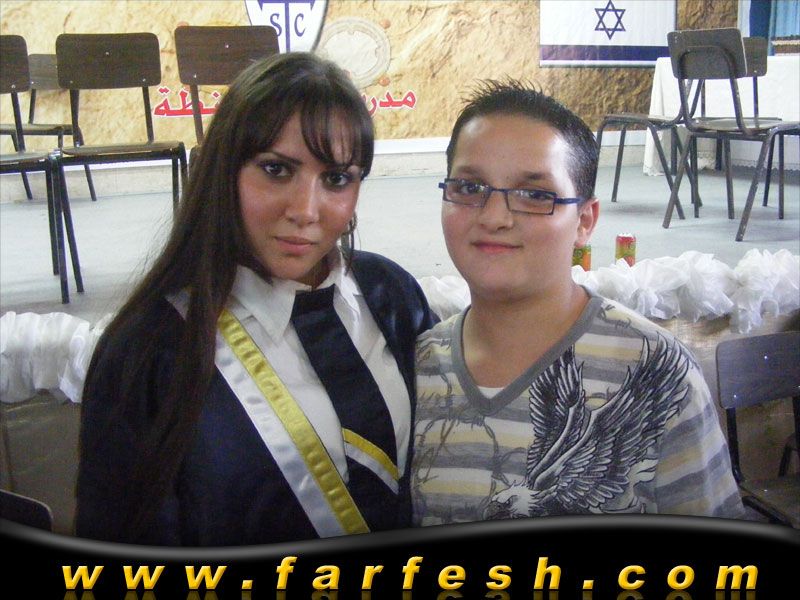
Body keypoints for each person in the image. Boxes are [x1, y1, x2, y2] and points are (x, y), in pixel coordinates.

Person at [75, 52, 438, 546]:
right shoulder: (148, 352)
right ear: (224, 172)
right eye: (276, 170)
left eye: (336, 179)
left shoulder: (391, 296)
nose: (305, 211)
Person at [411, 80, 744, 525]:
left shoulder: (658, 369)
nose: (494, 217)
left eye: (535, 195)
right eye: (470, 187)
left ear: (584, 221)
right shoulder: (415, 367)